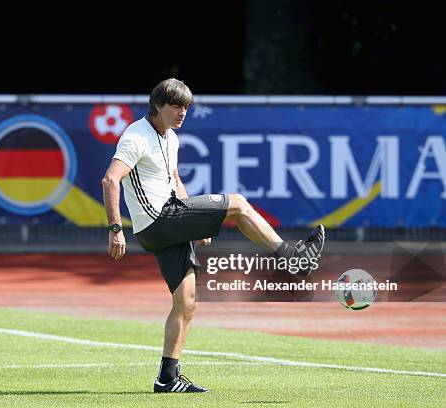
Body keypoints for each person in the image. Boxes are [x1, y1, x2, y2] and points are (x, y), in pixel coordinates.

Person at [102, 78, 325, 393]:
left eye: (186, 107)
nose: (183, 113)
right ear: (158, 106)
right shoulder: (136, 136)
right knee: (238, 203)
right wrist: (115, 228)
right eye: (176, 106)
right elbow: (110, 180)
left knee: (187, 302)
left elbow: (174, 180)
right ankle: (292, 257)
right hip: (158, 221)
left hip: (166, 224)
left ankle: (167, 378)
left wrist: (197, 225)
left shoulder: (170, 138)